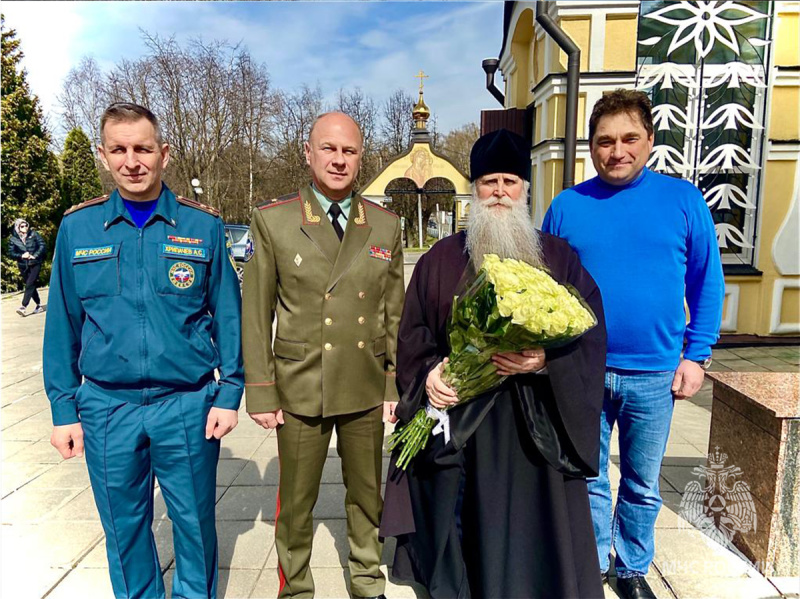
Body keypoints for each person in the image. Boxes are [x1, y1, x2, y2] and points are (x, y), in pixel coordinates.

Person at [381, 129, 608, 599]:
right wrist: (430, 375)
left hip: (536, 428)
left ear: (525, 189)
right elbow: (413, 333)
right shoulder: (440, 259)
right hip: (465, 425)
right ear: (475, 189)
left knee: (536, 537)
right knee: (466, 529)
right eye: (489, 182)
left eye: (510, 181)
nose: (500, 192)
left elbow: (589, 333)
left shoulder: (558, 257)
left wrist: (545, 360)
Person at [43, 102, 243, 599]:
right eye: (119, 150)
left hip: (187, 404)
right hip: (107, 406)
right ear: (103, 155)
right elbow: (62, 324)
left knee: (194, 525)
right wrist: (63, 409)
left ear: (164, 154)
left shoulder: (201, 226)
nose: (132, 162)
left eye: (143, 149)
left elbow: (228, 315)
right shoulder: (78, 229)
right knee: (124, 528)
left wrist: (229, 393)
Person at [542, 90, 724, 599]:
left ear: (649, 140)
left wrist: (696, 355)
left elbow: (707, 283)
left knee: (642, 480)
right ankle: (595, 559)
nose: (617, 151)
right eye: (605, 141)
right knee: (589, 474)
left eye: (628, 138)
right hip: (583, 367)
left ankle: (631, 566)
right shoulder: (567, 207)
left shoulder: (682, 200)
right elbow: (546, 285)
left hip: (655, 372)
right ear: (591, 147)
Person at [242, 111, 404, 599]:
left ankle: (367, 581)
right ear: (307, 153)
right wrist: (261, 390)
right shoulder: (275, 220)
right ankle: (295, 589)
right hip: (300, 385)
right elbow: (256, 313)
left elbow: (392, 312)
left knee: (367, 496)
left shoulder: (384, 224)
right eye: (328, 149)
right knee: (296, 504)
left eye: (348, 150)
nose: (338, 160)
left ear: (361, 157)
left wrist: (393, 383)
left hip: (363, 382)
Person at [8, 218, 46, 316]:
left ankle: (23, 306)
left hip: (35, 263)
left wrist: (35, 255)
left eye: (26, 225)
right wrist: (21, 256)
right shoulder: (13, 239)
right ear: (18, 228)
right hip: (23, 265)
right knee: (31, 286)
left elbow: (42, 245)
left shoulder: (34, 234)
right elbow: (11, 253)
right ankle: (38, 305)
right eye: (22, 226)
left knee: (30, 283)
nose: (25, 228)